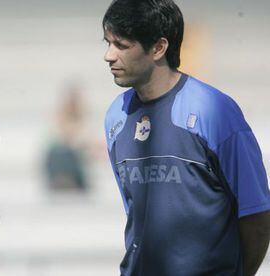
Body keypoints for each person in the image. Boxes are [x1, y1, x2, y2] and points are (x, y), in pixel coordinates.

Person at [102, 0, 270, 275]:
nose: (108, 55)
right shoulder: (116, 117)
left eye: (121, 45)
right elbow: (135, 214)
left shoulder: (214, 111)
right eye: (107, 43)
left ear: (159, 47)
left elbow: (257, 214)